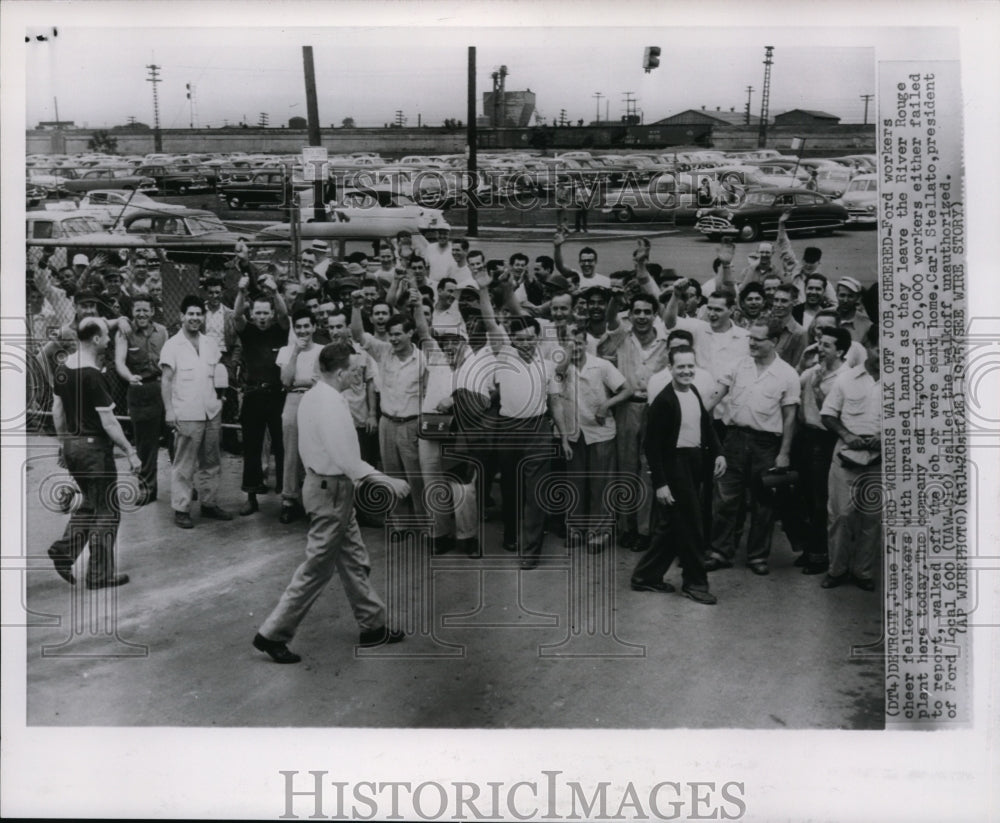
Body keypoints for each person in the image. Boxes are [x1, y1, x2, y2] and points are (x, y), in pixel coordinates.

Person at [252, 341, 411, 664]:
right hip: (330, 491)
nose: (359, 374)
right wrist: (388, 481)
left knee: (354, 560)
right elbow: (347, 460)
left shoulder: (315, 396)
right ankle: (272, 633)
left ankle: (373, 626)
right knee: (316, 568)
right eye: (355, 370)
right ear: (340, 372)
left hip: (330, 489)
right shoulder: (328, 404)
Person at [47, 317, 141, 588]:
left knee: (91, 503)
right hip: (94, 450)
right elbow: (109, 422)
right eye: (107, 336)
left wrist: (65, 443)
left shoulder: (64, 368)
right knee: (108, 510)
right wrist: (130, 450)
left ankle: (64, 552)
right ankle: (99, 575)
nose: (110, 340)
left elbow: (57, 410)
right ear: (97, 339)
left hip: (74, 446)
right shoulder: (93, 375)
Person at [704, 318, 800, 575]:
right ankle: (719, 552)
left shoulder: (788, 374)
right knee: (725, 498)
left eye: (758, 339)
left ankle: (758, 556)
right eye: (750, 338)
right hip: (733, 440)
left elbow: (790, 416)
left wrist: (784, 453)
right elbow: (716, 394)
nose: (752, 343)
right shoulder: (737, 365)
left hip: (766, 445)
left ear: (775, 342)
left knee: (763, 504)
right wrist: (696, 414)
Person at [631, 345, 726, 604]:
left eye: (690, 366)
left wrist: (718, 452)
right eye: (680, 366)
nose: (686, 371)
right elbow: (651, 446)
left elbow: (706, 426)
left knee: (673, 526)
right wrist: (660, 484)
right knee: (692, 525)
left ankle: (645, 577)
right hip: (675, 466)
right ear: (670, 368)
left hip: (695, 463)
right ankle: (695, 584)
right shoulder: (663, 401)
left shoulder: (693, 391)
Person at [782, 325, 853, 575]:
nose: (820, 349)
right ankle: (809, 547)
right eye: (819, 343)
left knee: (820, 500)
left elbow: (831, 413)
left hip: (826, 440)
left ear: (841, 351)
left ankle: (820, 555)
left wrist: (817, 386)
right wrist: (802, 362)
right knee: (800, 496)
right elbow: (790, 381)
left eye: (827, 345)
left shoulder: (845, 377)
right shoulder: (813, 370)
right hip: (806, 436)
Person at [159, 295, 234, 529]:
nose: (194, 318)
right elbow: (166, 380)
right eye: (190, 314)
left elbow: (219, 375)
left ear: (203, 317)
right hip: (187, 412)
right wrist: (169, 411)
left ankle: (209, 503)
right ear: (182, 316)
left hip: (211, 411)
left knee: (211, 461)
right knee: (184, 464)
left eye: (198, 314)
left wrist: (220, 401)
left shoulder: (210, 343)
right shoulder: (173, 345)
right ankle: (181, 508)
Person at [557, 324, 631, 552]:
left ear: (585, 343)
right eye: (569, 343)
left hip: (600, 433)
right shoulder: (561, 367)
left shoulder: (601, 365)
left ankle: (600, 532)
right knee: (575, 484)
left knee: (601, 484)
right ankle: (576, 529)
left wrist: (606, 405)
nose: (575, 347)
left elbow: (628, 389)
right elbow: (554, 392)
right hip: (574, 434)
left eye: (578, 342)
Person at [820, 327, 882, 591]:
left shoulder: (904, 381)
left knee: (872, 518)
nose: (885, 355)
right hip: (846, 455)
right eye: (880, 349)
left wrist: (887, 438)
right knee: (841, 516)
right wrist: (846, 435)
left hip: (881, 458)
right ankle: (837, 569)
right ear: (868, 346)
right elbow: (828, 415)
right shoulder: (846, 380)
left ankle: (863, 572)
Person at [234, 272, 290, 516]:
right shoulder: (248, 333)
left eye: (266, 313)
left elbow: (286, 316)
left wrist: (276, 292)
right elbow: (236, 316)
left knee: (283, 446)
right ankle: (251, 496)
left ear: (271, 314)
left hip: (278, 396)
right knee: (252, 448)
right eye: (257, 313)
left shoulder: (281, 330)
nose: (262, 318)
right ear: (252, 314)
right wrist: (240, 292)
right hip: (253, 395)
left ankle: (287, 497)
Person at [114, 295, 168, 505]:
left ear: (153, 311)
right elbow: (119, 361)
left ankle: (185, 485)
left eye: (146, 310)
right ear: (132, 312)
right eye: (138, 310)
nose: (142, 314)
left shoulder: (162, 331)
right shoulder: (124, 332)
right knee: (146, 443)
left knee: (176, 438)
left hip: (162, 388)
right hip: (139, 389)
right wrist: (129, 377)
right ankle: (147, 488)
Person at [275, 308, 322, 523]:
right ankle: (289, 499)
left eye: (306, 326)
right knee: (291, 451)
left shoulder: (323, 350)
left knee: (316, 451)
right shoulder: (286, 351)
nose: (303, 331)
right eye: (299, 327)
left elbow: (320, 381)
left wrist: (301, 381)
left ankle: (314, 502)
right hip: (293, 400)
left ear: (314, 327)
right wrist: (295, 352)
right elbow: (286, 381)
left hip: (316, 400)